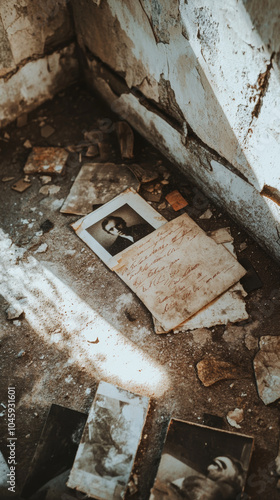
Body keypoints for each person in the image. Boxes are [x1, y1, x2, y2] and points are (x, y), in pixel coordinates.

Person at [151, 455, 244, 500]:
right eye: (213, 463)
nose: (210, 467)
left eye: (218, 465)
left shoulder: (198, 483)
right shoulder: (193, 481)